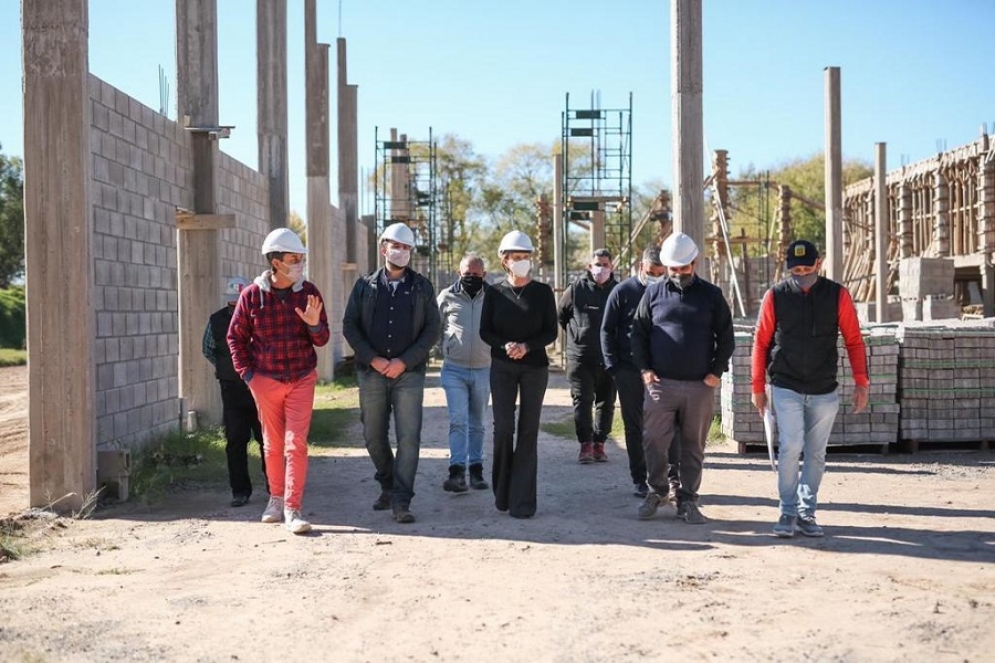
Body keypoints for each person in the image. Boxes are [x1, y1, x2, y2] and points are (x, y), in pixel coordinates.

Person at [751, 239, 869, 538]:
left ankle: (807, 511)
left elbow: (854, 340)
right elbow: (761, 342)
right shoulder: (775, 296)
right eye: (796, 270)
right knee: (791, 446)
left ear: (819, 264)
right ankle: (787, 510)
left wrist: (861, 382)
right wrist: (757, 386)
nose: (802, 274)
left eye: (807, 268)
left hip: (824, 388)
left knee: (816, 453)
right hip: (786, 384)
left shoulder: (837, 295)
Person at [228, 227, 329, 535]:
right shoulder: (252, 296)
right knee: (271, 445)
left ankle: (292, 508)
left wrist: (313, 326)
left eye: (301, 258)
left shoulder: (309, 291)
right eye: (293, 258)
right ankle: (275, 499)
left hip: (301, 377)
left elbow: (323, 338)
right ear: (275, 262)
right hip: (265, 381)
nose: (299, 263)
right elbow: (235, 338)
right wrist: (248, 376)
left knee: (295, 443)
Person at [631, 232, 734, 525]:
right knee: (653, 440)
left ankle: (687, 499)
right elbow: (637, 333)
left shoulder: (711, 296)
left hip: (699, 386)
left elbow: (725, 337)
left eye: (683, 268)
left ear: (694, 262)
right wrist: (645, 369)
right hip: (660, 385)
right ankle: (657, 491)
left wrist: (716, 372)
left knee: (693, 446)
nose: (678, 273)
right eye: (673, 269)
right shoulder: (653, 294)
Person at [342, 222, 440, 524]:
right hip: (371, 373)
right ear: (384, 248)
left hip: (408, 374)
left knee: (409, 437)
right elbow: (350, 325)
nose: (401, 252)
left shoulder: (422, 287)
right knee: (373, 435)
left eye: (407, 247)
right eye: (396, 246)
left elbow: (432, 330)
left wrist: (404, 361)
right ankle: (387, 483)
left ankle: (401, 500)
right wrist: (372, 359)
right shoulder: (364, 285)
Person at [479, 230, 558, 519]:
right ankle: (502, 492)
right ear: (505, 261)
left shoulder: (542, 292)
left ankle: (523, 501)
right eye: (517, 257)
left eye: (526, 257)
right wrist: (506, 345)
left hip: (534, 367)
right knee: (503, 428)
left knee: (527, 431)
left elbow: (551, 330)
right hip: (502, 367)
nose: (522, 262)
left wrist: (527, 346)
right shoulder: (495, 292)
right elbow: (485, 330)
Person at [601, 246, 681, 499]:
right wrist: (613, 366)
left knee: (670, 424)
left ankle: (672, 476)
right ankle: (640, 477)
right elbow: (606, 330)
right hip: (628, 370)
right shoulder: (622, 292)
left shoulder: (671, 291)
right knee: (634, 426)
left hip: (663, 371)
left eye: (661, 272)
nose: (656, 277)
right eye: (651, 272)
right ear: (641, 267)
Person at [202, 276, 265, 508]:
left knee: (266, 440)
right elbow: (208, 349)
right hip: (231, 389)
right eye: (232, 302)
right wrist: (226, 368)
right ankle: (239, 492)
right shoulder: (216, 320)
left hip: (260, 388)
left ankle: (275, 489)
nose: (235, 306)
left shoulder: (261, 316)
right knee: (235, 441)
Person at [558, 248, 619, 464]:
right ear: (589, 267)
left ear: (612, 267)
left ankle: (599, 444)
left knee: (607, 402)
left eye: (605, 264)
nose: (600, 268)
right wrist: (579, 336)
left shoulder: (619, 291)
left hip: (610, 358)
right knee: (582, 401)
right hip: (580, 359)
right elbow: (562, 316)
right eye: (597, 264)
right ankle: (585, 445)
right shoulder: (575, 290)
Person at [437, 253, 491, 494]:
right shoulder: (446, 296)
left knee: (477, 422)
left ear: (484, 275)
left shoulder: (493, 297)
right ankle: (456, 471)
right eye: (467, 274)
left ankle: (476, 470)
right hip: (454, 370)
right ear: (459, 273)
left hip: (484, 369)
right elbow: (434, 325)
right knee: (458, 419)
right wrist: (444, 346)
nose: (471, 278)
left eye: (476, 275)